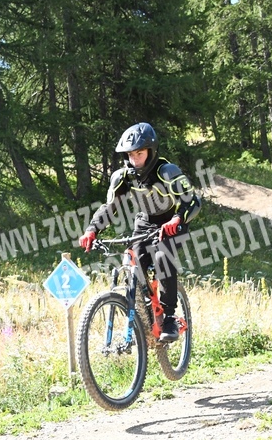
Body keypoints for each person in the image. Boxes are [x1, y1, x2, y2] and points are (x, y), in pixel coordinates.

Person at [78, 122, 200, 342]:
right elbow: (110, 207)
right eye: (131, 155)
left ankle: (169, 317)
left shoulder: (168, 171)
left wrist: (177, 219)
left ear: (151, 152)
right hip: (145, 223)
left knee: (162, 257)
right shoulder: (123, 177)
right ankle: (144, 317)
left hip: (172, 223)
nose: (135, 160)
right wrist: (91, 230)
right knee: (133, 264)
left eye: (140, 153)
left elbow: (193, 202)